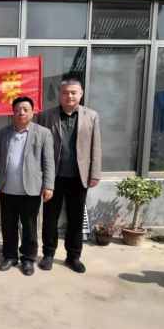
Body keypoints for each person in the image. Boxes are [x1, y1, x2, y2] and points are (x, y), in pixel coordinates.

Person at [37, 78, 102, 274]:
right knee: (50, 218)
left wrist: (94, 173)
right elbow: (38, 147)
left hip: (78, 177)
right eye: (65, 92)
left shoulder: (91, 116)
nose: (70, 96)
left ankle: (73, 256)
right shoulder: (46, 116)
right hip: (53, 177)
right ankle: (48, 254)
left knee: (75, 219)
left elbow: (96, 146)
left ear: (81, 94)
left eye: (74, 92)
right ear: (60, 94)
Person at [0, 97, 55, 276]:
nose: (22, 113)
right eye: (18, 110)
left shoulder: (43, 133)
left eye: (26, 109)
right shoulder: (2, 133)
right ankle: (10, 257)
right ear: (13, 113)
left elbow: (48, 162)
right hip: (7, 189)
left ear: (32, 112)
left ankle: (28, 259)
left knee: (29, 227)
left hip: (31, 189)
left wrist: (49, 186)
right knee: (8, 226)